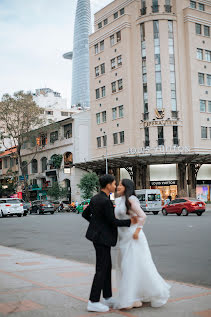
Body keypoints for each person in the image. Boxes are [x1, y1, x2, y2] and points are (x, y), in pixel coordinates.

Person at [82, 174, 138, 313]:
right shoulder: (105, 201)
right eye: (114, 184)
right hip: (102, 238)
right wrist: (130, 221)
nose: (115, 186)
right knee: (102, 269)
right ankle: (93, 301)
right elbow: (113, 222)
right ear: (107, 185)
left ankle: (107, 297)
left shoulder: (95, 198)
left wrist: (97, 225)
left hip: (98, 237)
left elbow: (85, 214)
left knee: (106, 267)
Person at [113, 179, 171, 310]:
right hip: (123, 238)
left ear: (127, 187)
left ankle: (133, 298)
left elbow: (142, 216)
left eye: (121, 185)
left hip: (134, 237)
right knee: (125, 266)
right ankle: (135, 295)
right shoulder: (119, 201)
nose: (118, 186)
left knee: (132, 266)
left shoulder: (131, 200)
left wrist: (137, 231)